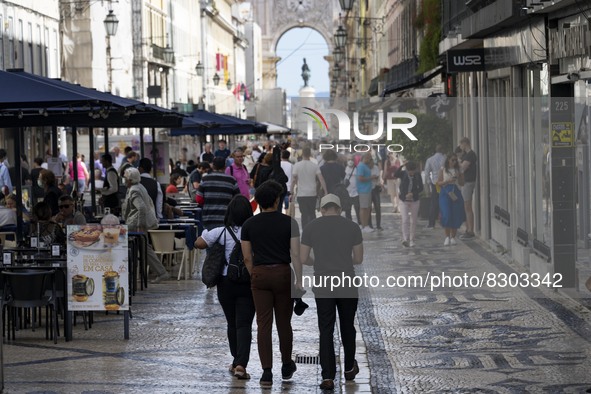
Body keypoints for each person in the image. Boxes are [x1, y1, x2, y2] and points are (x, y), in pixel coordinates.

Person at [300, 194, 363, 390]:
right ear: (340, 208)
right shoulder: (352, 227)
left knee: (326, 329)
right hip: (346, 281)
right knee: (347, 326)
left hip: (323, 281)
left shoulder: (311, 227)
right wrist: (342, 261)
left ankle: (327, 376)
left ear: (322, 209)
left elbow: (303, 258)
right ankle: (349, 368)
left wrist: (318, 262)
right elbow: (358, 258)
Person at [241, 180, 301, 387]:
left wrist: (255, 274)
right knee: (284, 322)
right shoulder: (289, 222)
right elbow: (295, 253)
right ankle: (286, 363)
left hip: (260, 274)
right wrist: (299, 279)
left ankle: (267, 371)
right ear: (277, 199)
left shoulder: (249, 225)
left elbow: (247, 257)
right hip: (283, 273)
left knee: (263, 324)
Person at [195, 195, 256, 380]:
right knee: (244, 324)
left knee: (231, 322)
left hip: (225, 283)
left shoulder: (221, 232)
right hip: (247, 282)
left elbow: (199, 243)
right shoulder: (252, 231)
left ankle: (235, 359)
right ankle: (241, 365)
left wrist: (207, 236)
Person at [121, 168, 170, 284]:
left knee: (140, 249)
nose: (124, 180)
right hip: (139, 224)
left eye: (125, 177)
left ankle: (160, 273)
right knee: (145, 249)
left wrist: (139, 225)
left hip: (135, 225)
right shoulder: (139, 187)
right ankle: (161, 272)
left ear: (129, 179)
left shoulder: (134, 190)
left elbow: (141, 208)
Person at [196, 157, 239, 230]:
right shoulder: (232, 180)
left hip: (208, 218)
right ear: (225, 167)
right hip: (226, 219)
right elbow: (237, 199)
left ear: (213, 166)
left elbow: (199, 199)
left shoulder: (205, 179)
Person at [291, 147, 327, 229]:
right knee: (312, 213)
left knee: (304, 214)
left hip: (301, 193)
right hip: (312, 193)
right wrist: (325, 191)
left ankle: (305, 230)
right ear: (310, 154)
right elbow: (321, 179)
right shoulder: (314, 166)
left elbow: (293, 180)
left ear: (302, 154)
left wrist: (291, 191)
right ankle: (314, 229)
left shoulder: (297, 165)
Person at [437, 153, 465, 246]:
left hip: (455, 191)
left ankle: (453, 237)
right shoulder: (443, 169)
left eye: (455, 160)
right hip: (445, 192)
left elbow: (462, 183)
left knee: (456, 214)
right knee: (446, 213)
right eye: (452, 160)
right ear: (448, 160)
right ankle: (447, 236)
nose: (454, 162)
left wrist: (459, 175)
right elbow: (438, 182)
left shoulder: (458, 170)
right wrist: (447, 181)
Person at [395, 161, 424, 247]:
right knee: (405, 219)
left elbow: (421, 188)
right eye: (409, 170)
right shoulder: (403, 174)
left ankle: (412, 239)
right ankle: (405, 238)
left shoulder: (417, 175)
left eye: (412, 170)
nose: (411, 172)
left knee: (413, 220)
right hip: (404, 200)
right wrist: (402, 166)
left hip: (414, 200)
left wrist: (413, 194)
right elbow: (395, 174)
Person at [459, 137, 477, 239]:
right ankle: (468, 228)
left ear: (465, 143)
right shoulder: (465, 155)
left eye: (461, 144)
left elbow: (462, 168)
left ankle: (470, 230)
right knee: (466, 205)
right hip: (465, 182)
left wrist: (460, 164)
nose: (460, 147)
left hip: (468, 182)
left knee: (467, 205)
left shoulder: (470, 155)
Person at [424, 145, 446, 228]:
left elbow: (426, 173)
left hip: (435, 183)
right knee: (445, 201)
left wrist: (430, 182)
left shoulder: (430, 159)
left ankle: (431, 223)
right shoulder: (445, 159)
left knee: (434, 203)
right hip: (445, 182)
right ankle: (444, 221)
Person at [356, 153, 374, 233]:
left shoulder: (365, 166)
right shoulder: (361, 166)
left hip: (367, 189)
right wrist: (371, 178)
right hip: (363, 190)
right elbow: (360, 178)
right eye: (369, 158)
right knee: (363, 208)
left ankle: (366, 225)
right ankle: (364, 225)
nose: (370, 160)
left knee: (367, 208)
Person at [344, 156, 360, 223]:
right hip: (347, 192)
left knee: (357, 209)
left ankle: (360, 222)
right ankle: (349, 223)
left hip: (356, 192)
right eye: (349, 159)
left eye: (352, 159)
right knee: (347, 210)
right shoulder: (344, 169)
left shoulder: (357, 169)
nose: (350, 161)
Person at [280, 150, 293, 214]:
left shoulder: (278, 164)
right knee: (287, 207)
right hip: (288, 187)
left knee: (279, 205)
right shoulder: (291, 165)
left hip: (279, 187)